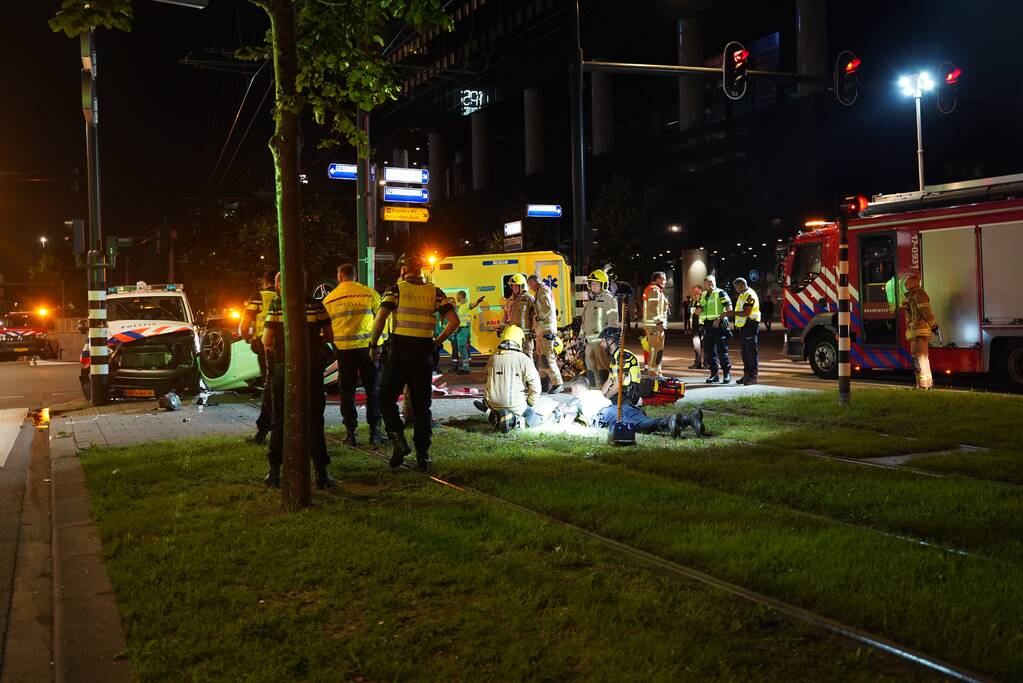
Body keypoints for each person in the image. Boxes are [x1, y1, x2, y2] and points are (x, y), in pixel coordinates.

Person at [371, 253, 459, 471]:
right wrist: (437, 342)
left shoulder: (395, 289)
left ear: (403, 269)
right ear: (421, 270)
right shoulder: (435, 292)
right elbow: (454, 321)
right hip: (423, 353)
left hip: (399, 351)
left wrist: (373, 345)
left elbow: (381, 317)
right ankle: (423, 455)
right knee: (422, 406)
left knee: (384, 398)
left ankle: (398, 440)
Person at [261, 271, 335, 489]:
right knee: (314, 420)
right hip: (311, 367)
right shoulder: (316, 305)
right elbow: (329, 337)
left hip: (284, 367)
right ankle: (321, 474)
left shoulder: (277, 307)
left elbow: (266, 340)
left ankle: (274, 473)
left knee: (280, 420)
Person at [321, 263, 387, 447]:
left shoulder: (329, 300)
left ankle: (351, 434)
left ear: (339, 277)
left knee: (347, 392)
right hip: (368, 349)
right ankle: (375, 432)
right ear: (355, 276)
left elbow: (325, 329)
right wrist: (380, 342)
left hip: (344, 352)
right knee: (372, 390)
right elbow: (383, 318)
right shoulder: (369, 293)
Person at [563, 377, 704, 437]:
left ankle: (669, 421)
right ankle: (689, 418)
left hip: (608, 414)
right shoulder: (596, 393)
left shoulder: (578, 398)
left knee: (641, 426)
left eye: (571, 390)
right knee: (644, 422)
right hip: (622, 407)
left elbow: (567, 420)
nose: (571, 393)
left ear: (576, 388)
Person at [474, 325, 544, 431]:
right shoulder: (524, 359)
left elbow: (488, 377)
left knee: (494, 404)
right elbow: (536, 386)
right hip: (515, 405)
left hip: (492, 403)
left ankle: (493, 413)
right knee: (535, 416)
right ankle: (513, 420)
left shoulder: (493, 357)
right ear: (520, 341)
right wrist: (530, 402)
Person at [239, 269, 278, 445]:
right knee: (278, 388)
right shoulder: (285, 296)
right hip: (285, 348)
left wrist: (248, 337)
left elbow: (244, 325)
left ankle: (264, 431)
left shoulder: (259, 297)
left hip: (266, 348)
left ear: (265, 282)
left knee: (270, 389)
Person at [580, 269, 619, 387]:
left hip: (601, 341)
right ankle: (594, 390)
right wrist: (582, 337)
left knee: (603, 367)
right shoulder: (590, 300)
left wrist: (608, 340)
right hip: (589, 342)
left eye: (596, 284)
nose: (593, 286)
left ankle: (606, 390)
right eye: (592, 284)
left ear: (603, 285)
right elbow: (584, 321)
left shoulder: (609, 299)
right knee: (590, 368)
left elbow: (613, 320)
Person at [902, 273, 939, 390]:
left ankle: (923, 386)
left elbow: (925, 312)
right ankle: (928, 385)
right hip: (918, 331)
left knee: (917, 359)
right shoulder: (914, 295)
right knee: (922, 359)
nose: (905, 284)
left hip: (918, 331)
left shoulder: (919, 294)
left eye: (907, 282)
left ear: (913, 283)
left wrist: (933, 325)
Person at [527, 274, 564, 393]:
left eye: (529, 284)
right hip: (542, 330)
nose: (529, 287)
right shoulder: (539, 291)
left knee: (548, 357)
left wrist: (539, 317)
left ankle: (558, 383)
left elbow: (546, 306)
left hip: (546, 329)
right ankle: (544, 384)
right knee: (541, 358)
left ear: (533, 282)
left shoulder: (542, 290)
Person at [726, 278, 761, 385]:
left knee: (751, 352)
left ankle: (753, 377)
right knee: (745, 353)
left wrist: (733, 313)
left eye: (735, 287)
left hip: (751, 325)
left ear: (740, 285)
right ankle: (746, 375)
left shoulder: (750, 295)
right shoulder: (742, 294)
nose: (735, 289)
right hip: (744, 327)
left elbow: (746, 312)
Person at [698, 275, 733, 384]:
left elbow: (729, 308)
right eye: (708, 282)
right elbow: (701, 308)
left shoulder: (720, 293)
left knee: (722, 351)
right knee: (709, 352)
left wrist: (720, 318)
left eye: (712, 281)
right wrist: (697, 310)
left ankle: (726, 374)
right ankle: (714, 374)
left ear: (715, 282)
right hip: (707, 326)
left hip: (719, 324)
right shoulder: (703, 294)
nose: (710, 284)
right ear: (704, 284)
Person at [597, 326, 642, 406]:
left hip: (628, 396)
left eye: (603, 341)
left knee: (607, 412)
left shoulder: (623, 356)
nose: (601, 344)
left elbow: (618, 385)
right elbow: (609, 381)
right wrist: (600, 398)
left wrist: (605, 399)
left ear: (611, 341)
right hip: (620, 394)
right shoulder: (614, 358)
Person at [642, 271, 670, 377]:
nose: (665, 281)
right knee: (655, 349)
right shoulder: (654, 290)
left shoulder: (654, 289)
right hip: (655, 326)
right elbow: (653, 308)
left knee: (657, 349)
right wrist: (659, 323)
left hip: (654, 325)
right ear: (657, 279)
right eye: (664, 279)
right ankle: (653, 373)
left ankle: (656, 371)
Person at [502, 274, 536, 359]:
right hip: (513, 335)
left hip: (526, 335)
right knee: (515, 357)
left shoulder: (529, 298)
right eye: (513, 286)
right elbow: (506, 316)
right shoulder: (510, 300)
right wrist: (500, 327)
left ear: (522, 286)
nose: (514, 288)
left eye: (516, 286)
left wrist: (534, 330)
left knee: (527, 357)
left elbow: (535, 315)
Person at [451, 290, 485, 374]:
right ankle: (465, 367)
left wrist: (478, 301)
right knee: (461, 348)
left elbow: (472, 305)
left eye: (457, 296)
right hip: (460, 329)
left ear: (461, 296)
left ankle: (466, 368)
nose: (456, 297)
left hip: (464, 328)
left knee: (462, 347)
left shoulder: (466, 305)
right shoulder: (461, 306)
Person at [689, 284, 704, 370]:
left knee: (702, 345)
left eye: (696, 291)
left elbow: (698, 312)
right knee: (697, 346)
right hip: (695, 325)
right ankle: (698, 363)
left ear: (700, 291)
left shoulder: (702, 300)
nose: (694, 293)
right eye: (694, 291)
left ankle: (704, 363)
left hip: (701, 325)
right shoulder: (694, 301)